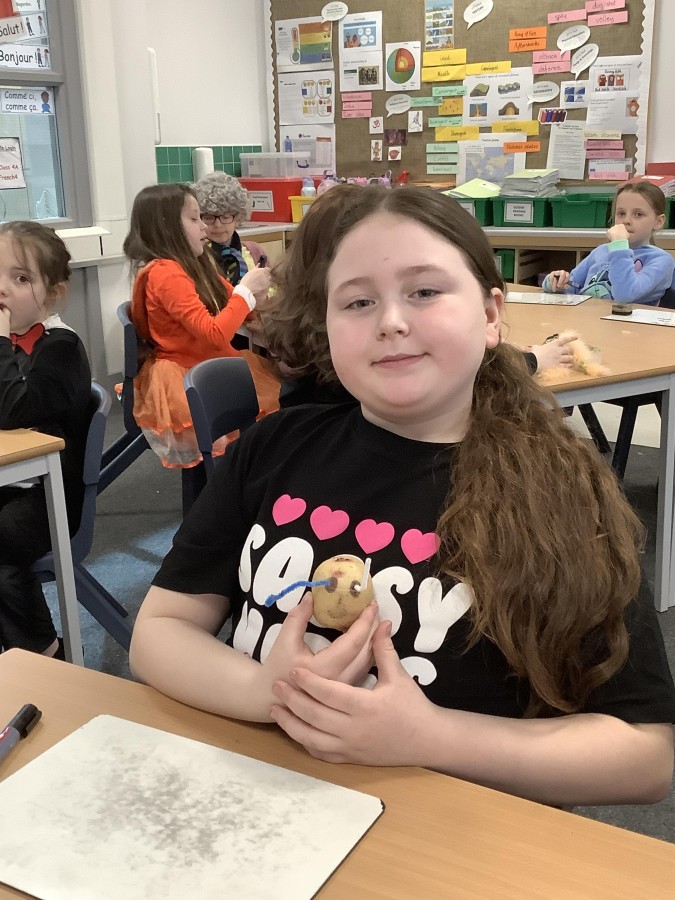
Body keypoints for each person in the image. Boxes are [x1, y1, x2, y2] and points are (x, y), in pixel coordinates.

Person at [130, 185, 674, 807]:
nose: (390, 321)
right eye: (358, 301)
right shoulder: (274, 448)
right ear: (327, 324)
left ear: (490, 316)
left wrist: (431, 737)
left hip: (447, 831)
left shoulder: (562, 492)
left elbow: (645, 756)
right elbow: (160, 630)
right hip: (262, 806)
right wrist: (267, 692)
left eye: (425, 292)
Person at [124, 183, 280, 469]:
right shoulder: (165, 273)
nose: (205, 228)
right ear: (167, 227)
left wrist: (252, 297)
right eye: (195, 219)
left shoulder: (194, 264)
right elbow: (215, 334)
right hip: (188, 377)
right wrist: (245, 292)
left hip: (206, 365)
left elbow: (236, 306)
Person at [0, 221, 91, 658]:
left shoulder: (60, 347)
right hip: (11, 482)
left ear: (52, 294)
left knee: (1, 547)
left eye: (20, 279)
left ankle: (44, 649)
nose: (2, 289)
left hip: (48, 497)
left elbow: (12, 408)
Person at [544, 182, 674, 305]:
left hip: (626, 321)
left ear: (658, 222)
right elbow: (572, 288)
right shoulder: (601, 251)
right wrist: (556, 282)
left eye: (638, 214)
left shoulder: (661, 260)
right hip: (587, 317)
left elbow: (624, 296)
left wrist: (619, 246)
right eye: (621, 213)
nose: (626, 220)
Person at [192, 171, 266, 288]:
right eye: (209, 218)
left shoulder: (254, 251)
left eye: (225, 217)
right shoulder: (194, 257)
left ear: (238, 217)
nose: (218, 225)